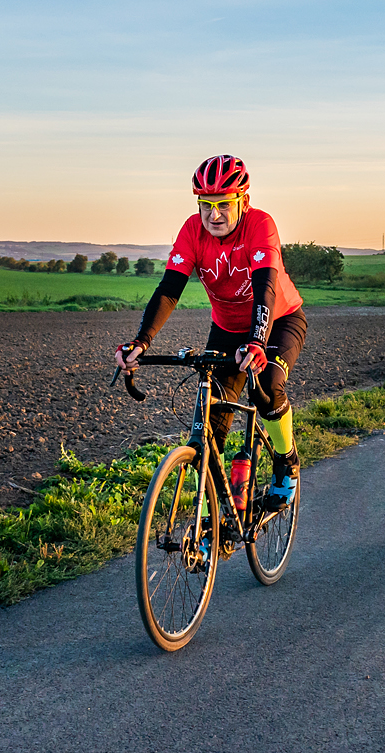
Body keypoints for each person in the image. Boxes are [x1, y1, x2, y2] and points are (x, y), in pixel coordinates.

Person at [114, 155, 305, 521]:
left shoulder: (260, 225)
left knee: (266, 388)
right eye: (205, 205)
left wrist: (258, 342)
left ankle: (286, 459)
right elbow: (170, 289)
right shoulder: (192, 231)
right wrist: (142, 341)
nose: (213, 215)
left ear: (243, 202)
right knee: (210, 430)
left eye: (222, 205)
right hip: (228, 329)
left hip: (278, 320)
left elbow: (265, 286)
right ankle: (209, 523)